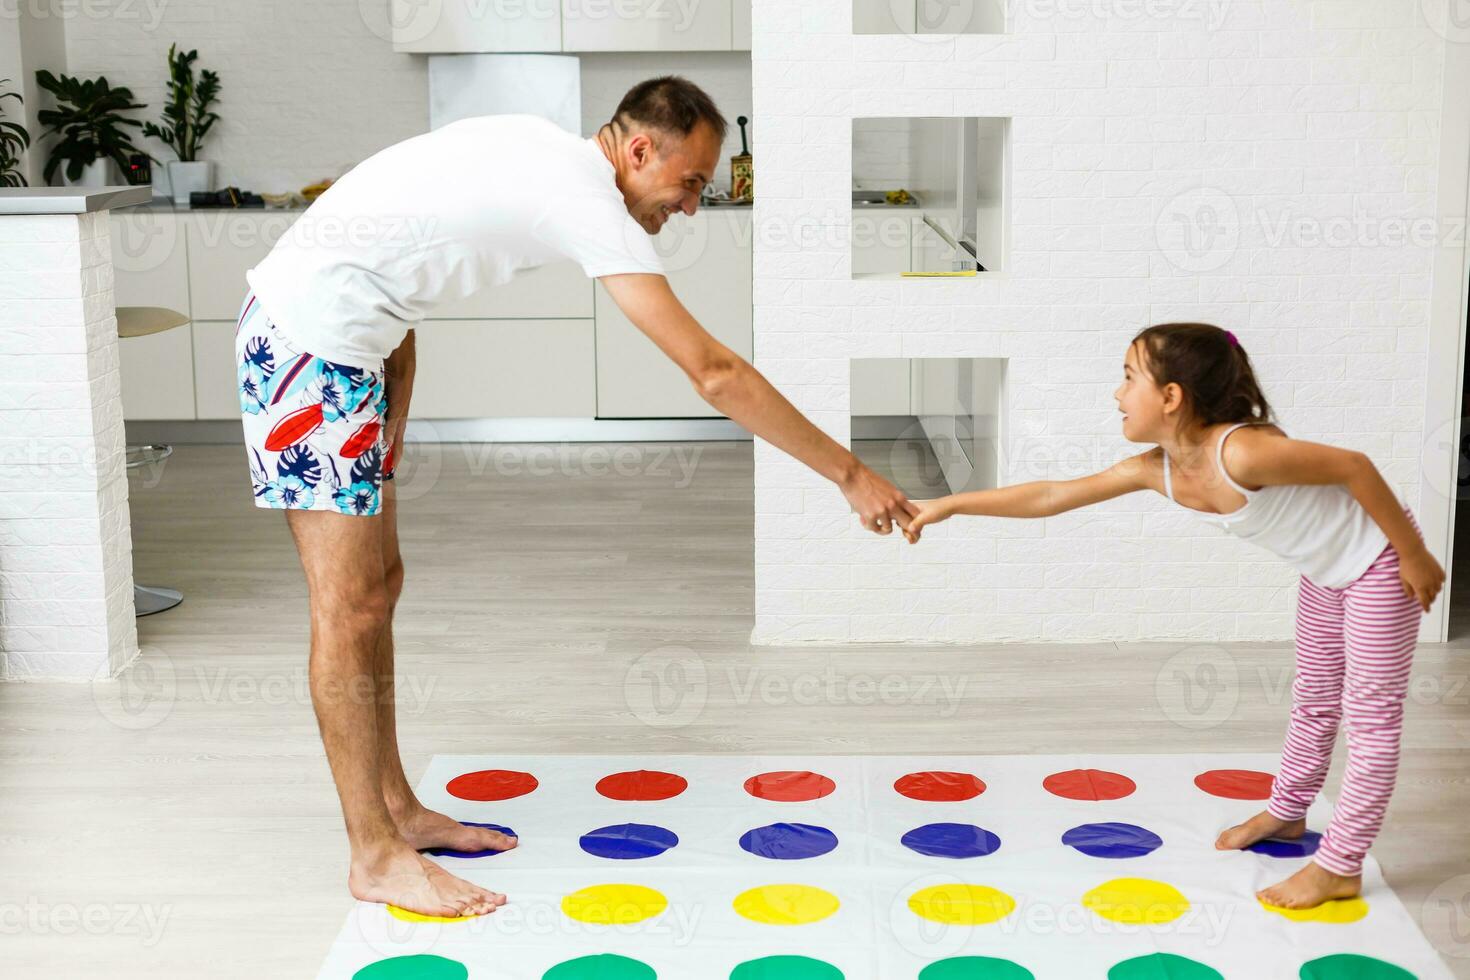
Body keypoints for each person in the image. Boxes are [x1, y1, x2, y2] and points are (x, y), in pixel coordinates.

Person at [233, 76, 921, 918]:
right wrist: (850, 474)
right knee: (349, 609)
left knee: (380, 591)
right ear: (638, 152)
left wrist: (394, 397)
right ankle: (372, 854)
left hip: (350, 351)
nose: (694, 206)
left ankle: (400, 811)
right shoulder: (584, 196)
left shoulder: (544, 152)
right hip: (307, 345)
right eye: (692, 183)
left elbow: (398, 249)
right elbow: (712, 372)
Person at [902, 322, 1444, 909]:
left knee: (1370, 720)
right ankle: (1288, 814)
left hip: (1381, 564)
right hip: (1322, 571)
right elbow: (1053, 495)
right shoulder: (1155, 468)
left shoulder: (1241, 450)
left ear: (1171, 397)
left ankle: (1340, 865)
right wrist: (950, 504)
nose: (1116, 393)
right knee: (1314, 698)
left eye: (1128, 377)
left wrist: (1415, 556)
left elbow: (1355, 467)